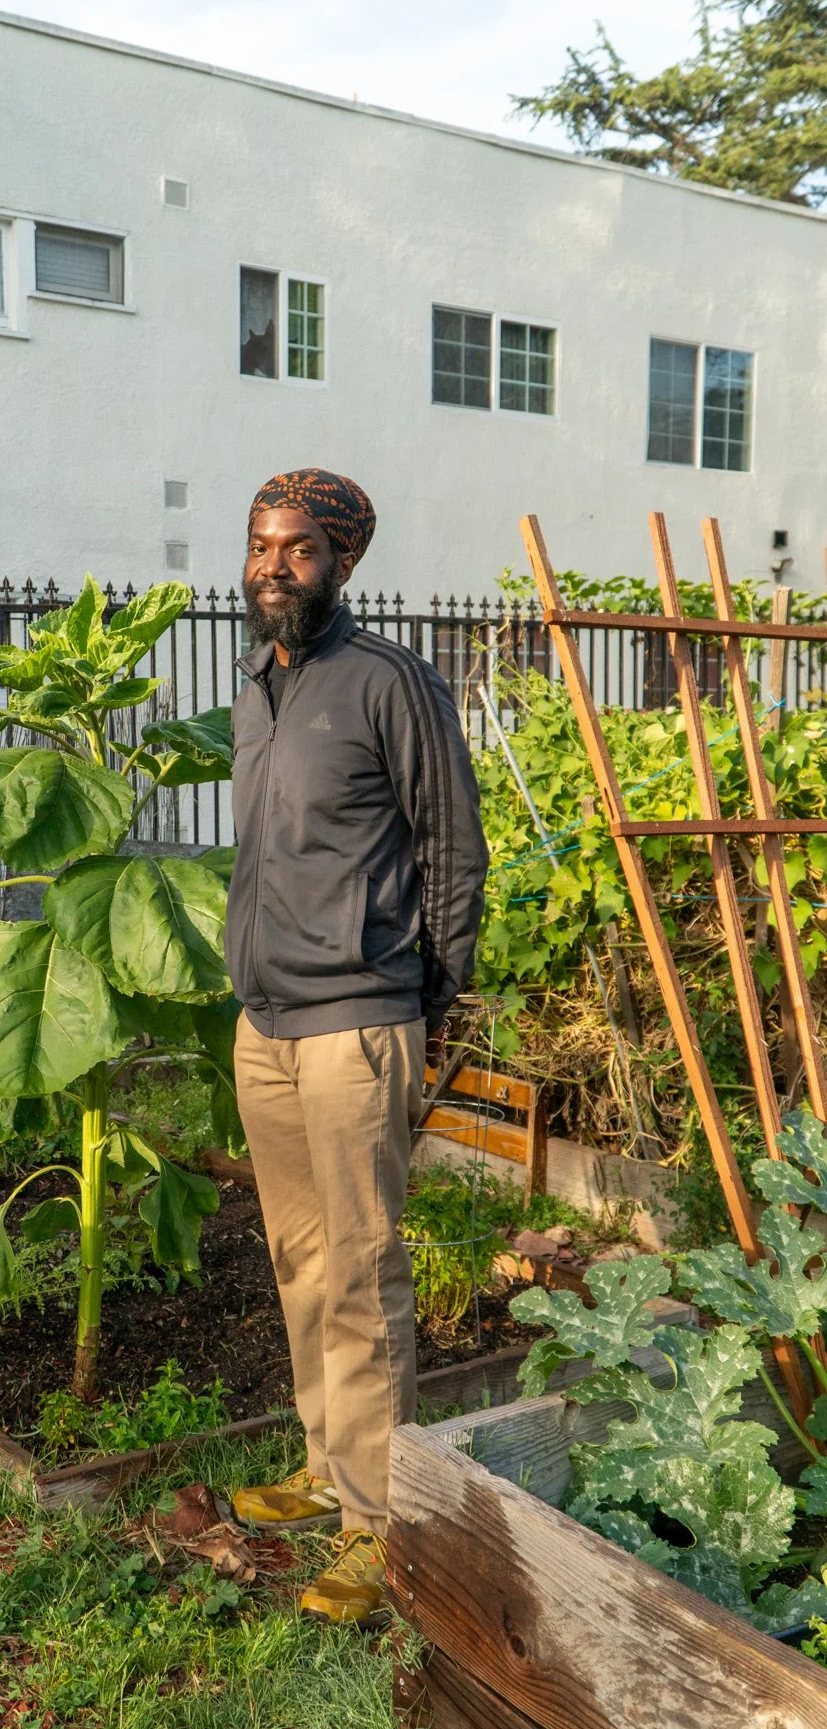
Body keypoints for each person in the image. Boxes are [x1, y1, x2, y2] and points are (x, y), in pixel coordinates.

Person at [224, 468, 488, 1627]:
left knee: (365, 1269)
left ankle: (381, 1525)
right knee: (298, 1257)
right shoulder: (256, 684)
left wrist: (424, 1002)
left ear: (343, 564)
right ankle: (326, 1464)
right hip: (264, 1024)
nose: (273, 565)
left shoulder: (389, 684)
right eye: (262, 545)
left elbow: (453, 852)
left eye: (298, 550)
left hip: (359, 1023)